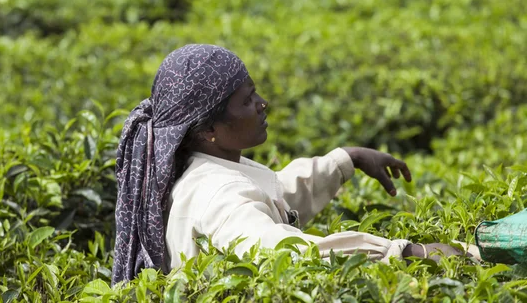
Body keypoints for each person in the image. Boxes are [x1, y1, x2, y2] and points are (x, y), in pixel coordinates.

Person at [112, 44, 468, 285]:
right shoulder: (218, 195)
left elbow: (272, 198)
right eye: (248, 101)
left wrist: (346, 160)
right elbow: (287, 254)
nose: (262, 104)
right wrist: (404, 253)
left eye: (255, 93)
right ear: (209, 129)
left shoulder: (199, 166)